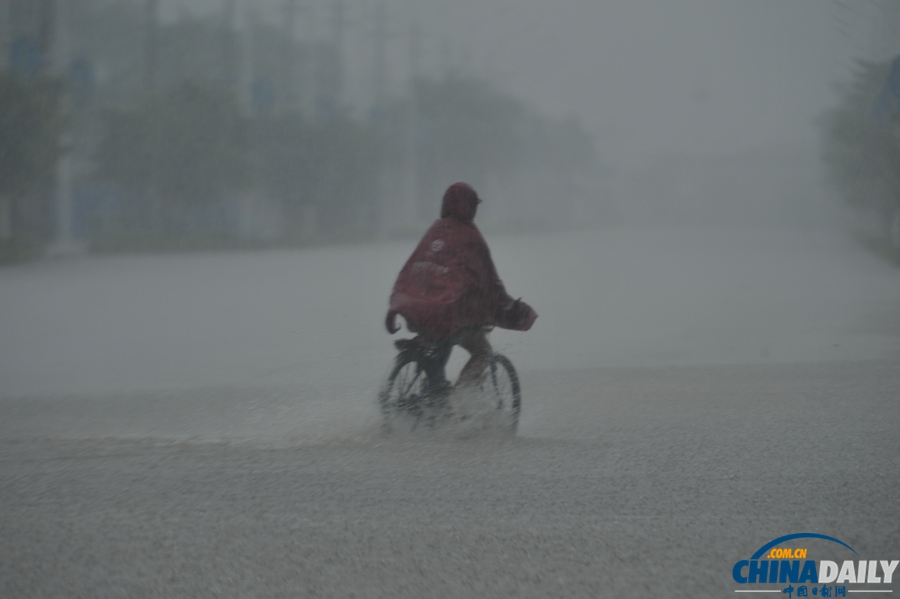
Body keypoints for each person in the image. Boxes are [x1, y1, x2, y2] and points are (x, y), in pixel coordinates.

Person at [385, 182, 537, 391]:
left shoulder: (434, 231)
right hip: (445, 314)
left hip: (417, 311)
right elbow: (490, 283)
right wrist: (515, 310)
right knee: (482, 352)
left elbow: (410, 271)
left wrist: (397, 305)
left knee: (437, 342)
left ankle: (429, 396)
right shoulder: (470, 237)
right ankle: (456, 401)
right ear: (470, 208)